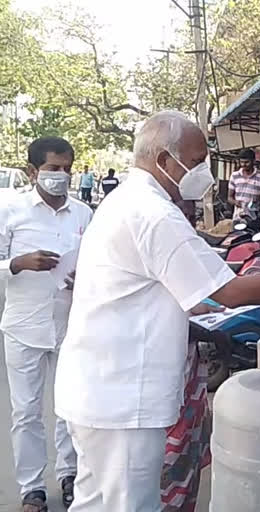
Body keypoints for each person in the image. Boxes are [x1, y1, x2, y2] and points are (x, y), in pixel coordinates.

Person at [54, 111, 260, 511]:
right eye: (198, 159)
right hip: (122, 398)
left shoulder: (126, 201)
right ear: (166, 161)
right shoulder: (153, 213)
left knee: (95, 501)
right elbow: (231, 292)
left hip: (99, 389)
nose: (204, 170)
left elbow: (172, 290)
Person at [0, 137, 93, 512]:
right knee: (26, 412)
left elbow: (98, 266)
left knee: (70, 407)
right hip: (23, 326)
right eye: (54, 168)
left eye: (68, 169)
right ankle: (32, 489)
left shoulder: (84, 214)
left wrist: (83, 278)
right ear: (32, 171)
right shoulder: (10, 209)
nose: (62, 176)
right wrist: (17, 263)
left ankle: (70, 476)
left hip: (70, 325)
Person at [161, 199, 214, 512]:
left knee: (188, 460)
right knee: (167, 465)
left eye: (192, 216)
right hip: (164, 382)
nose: (188, 222)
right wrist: (213, 333)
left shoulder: (188, 254)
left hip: (190, 377)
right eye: (182, 215)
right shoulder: (157, 254)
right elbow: (168, 316)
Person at [228, 148, 260, 220]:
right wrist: (236, 202)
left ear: (253, 161)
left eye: (247, 162)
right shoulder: (234, 176)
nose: (244, 165)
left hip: (254, 218)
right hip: (238, 217)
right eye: (242, 162)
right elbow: (229, 198)